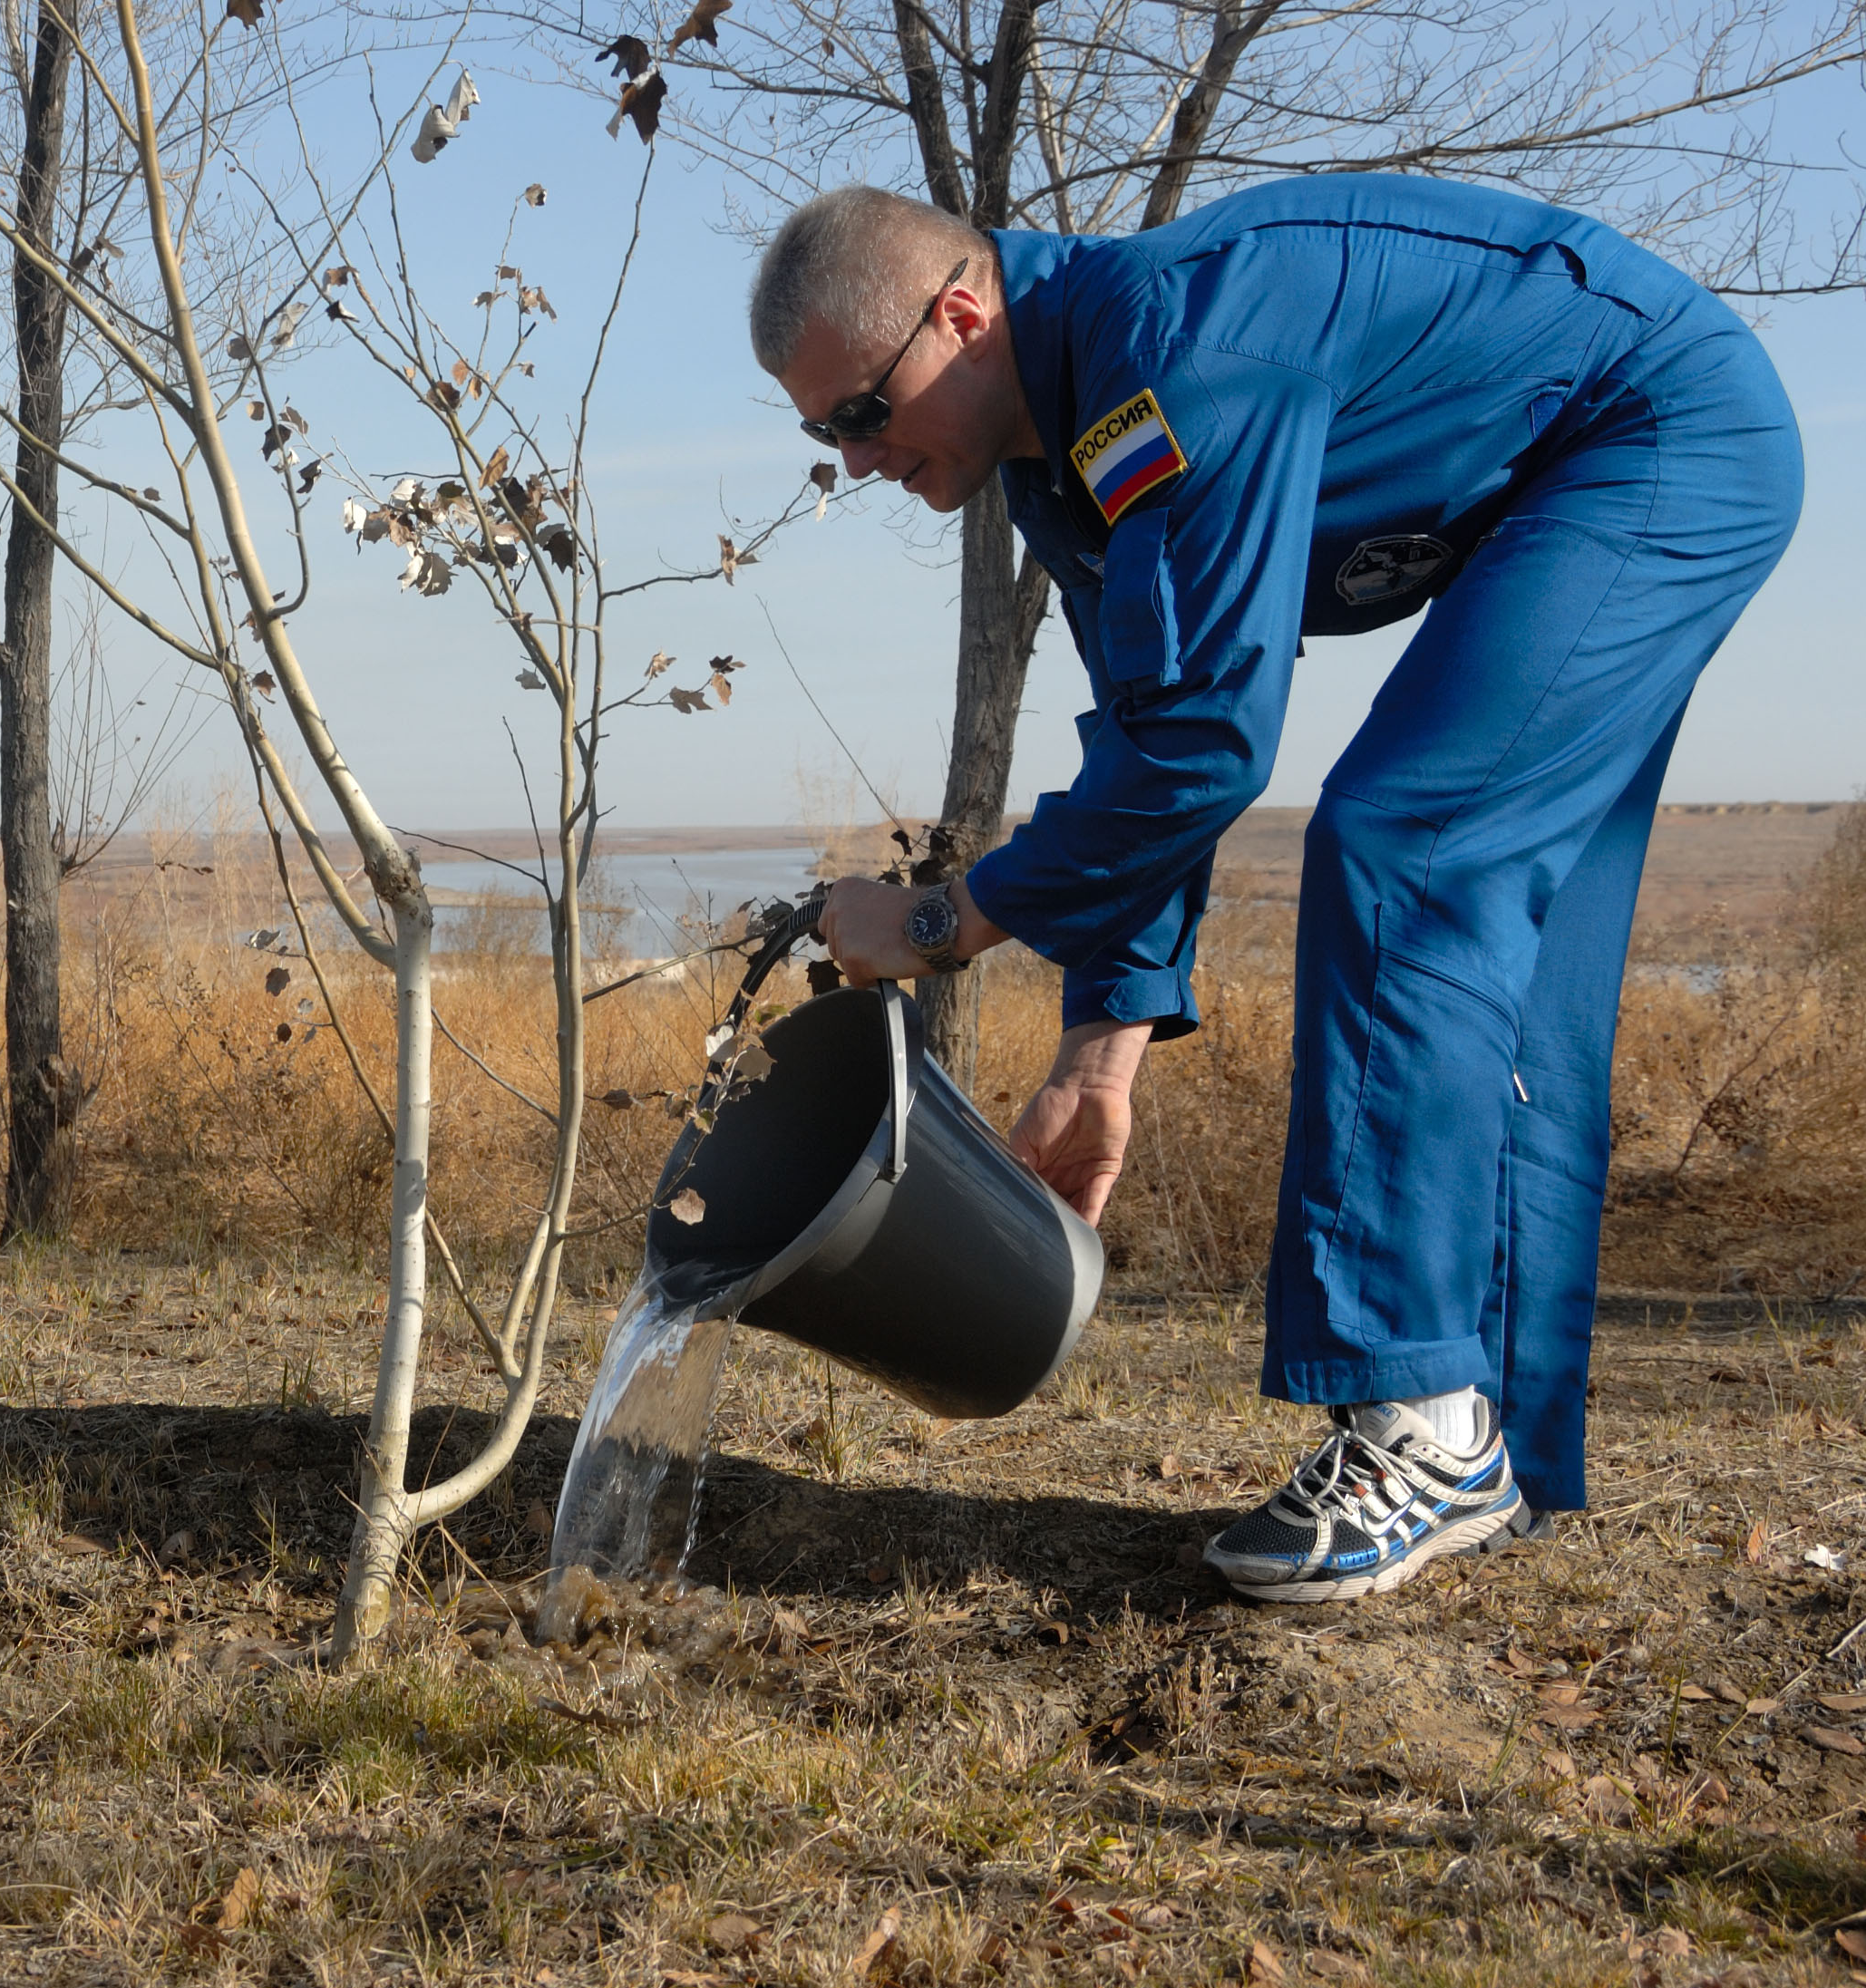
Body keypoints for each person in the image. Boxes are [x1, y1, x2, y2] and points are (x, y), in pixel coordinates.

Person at [755, 177, 1800, 1604]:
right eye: (823, 434)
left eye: (866, 412)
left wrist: (942, 922)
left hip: (1656, 430)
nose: (858, 460)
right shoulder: (1059, 459)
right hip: (1579, 465)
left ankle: (1418, 1423)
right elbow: (1148, 738)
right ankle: (1491, 1445)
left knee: (1407, 848)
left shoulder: (1177, 354)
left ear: (963, 314)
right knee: (1498, 942)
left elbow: (1207, 745)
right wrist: (1100, 1054)